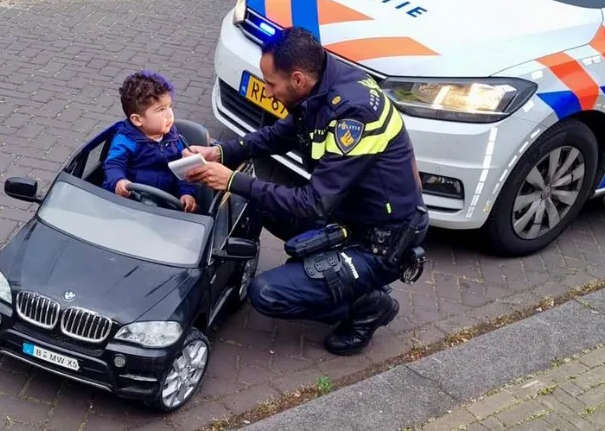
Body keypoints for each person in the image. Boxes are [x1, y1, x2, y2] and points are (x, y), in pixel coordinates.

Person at [185, 27, 427, 355]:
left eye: (271, 84)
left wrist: (230, 180)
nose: (268, 92)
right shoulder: (322, 82)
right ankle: (311, 272)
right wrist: (223, 153)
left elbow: (312, 203)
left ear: (297, 79)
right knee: (252, 198)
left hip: (377, 243)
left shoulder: (353, 114)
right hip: (344, 216)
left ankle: (368, 305)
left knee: (266, 293)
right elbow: (280, 134)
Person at [103, 70, 198, 212]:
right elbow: (113, 164)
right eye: (160, 110)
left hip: (164, 203)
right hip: (130, 201)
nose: (169, 114)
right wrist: (119, 181)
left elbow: (183, 172)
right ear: (137, 119)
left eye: (169, 106)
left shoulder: (175, 138)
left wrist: (186, 193)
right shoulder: (126, 140)